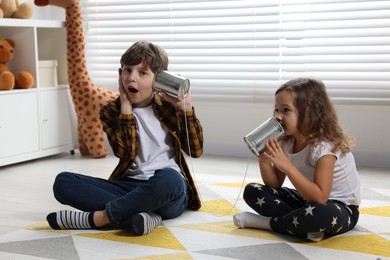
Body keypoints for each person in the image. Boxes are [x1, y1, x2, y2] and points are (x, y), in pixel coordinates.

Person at [46, 40, 204, 236]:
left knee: (171, 178)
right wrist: (126, 109)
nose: (131, 78)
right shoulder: (111, 112)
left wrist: (185, 108)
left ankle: (101, 218)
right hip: (128, 187)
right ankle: (141, 216)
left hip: (166, 191)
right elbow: (125, 152)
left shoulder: (168, 107)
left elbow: (195, 151)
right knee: (63, 182)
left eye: (142, 72)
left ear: (159, 79)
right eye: (127, 70)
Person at [233, 78, 360, 242]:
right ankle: (302, 224)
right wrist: (264, 161)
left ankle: (268, 223)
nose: (278, 116)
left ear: (309, 113)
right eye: (276, 110)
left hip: (339, 207)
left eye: (286, 110)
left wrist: (288, 167)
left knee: (319, 214)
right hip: (306, 200)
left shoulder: (325, 148)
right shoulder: (286, 141)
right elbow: (275, 184)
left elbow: (321, 197)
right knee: (253, 191)